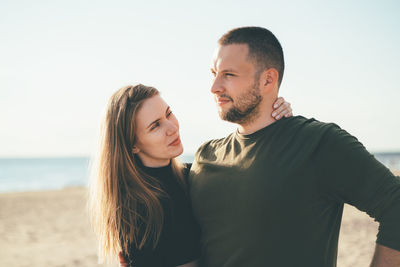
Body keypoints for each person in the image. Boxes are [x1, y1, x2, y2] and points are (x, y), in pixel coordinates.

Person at [188, 27, 400, 267]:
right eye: (213, 73)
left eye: (228, 74)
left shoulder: (317, 142)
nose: (214, 86)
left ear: (268, 79)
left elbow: (396, 204)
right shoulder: (205, 156)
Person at [88, 84, 292, 267]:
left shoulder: (190, 174)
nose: (172, 128)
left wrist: (275, 120)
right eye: (155, 126)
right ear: (132, 145)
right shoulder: (141, 209)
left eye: (169, 114)